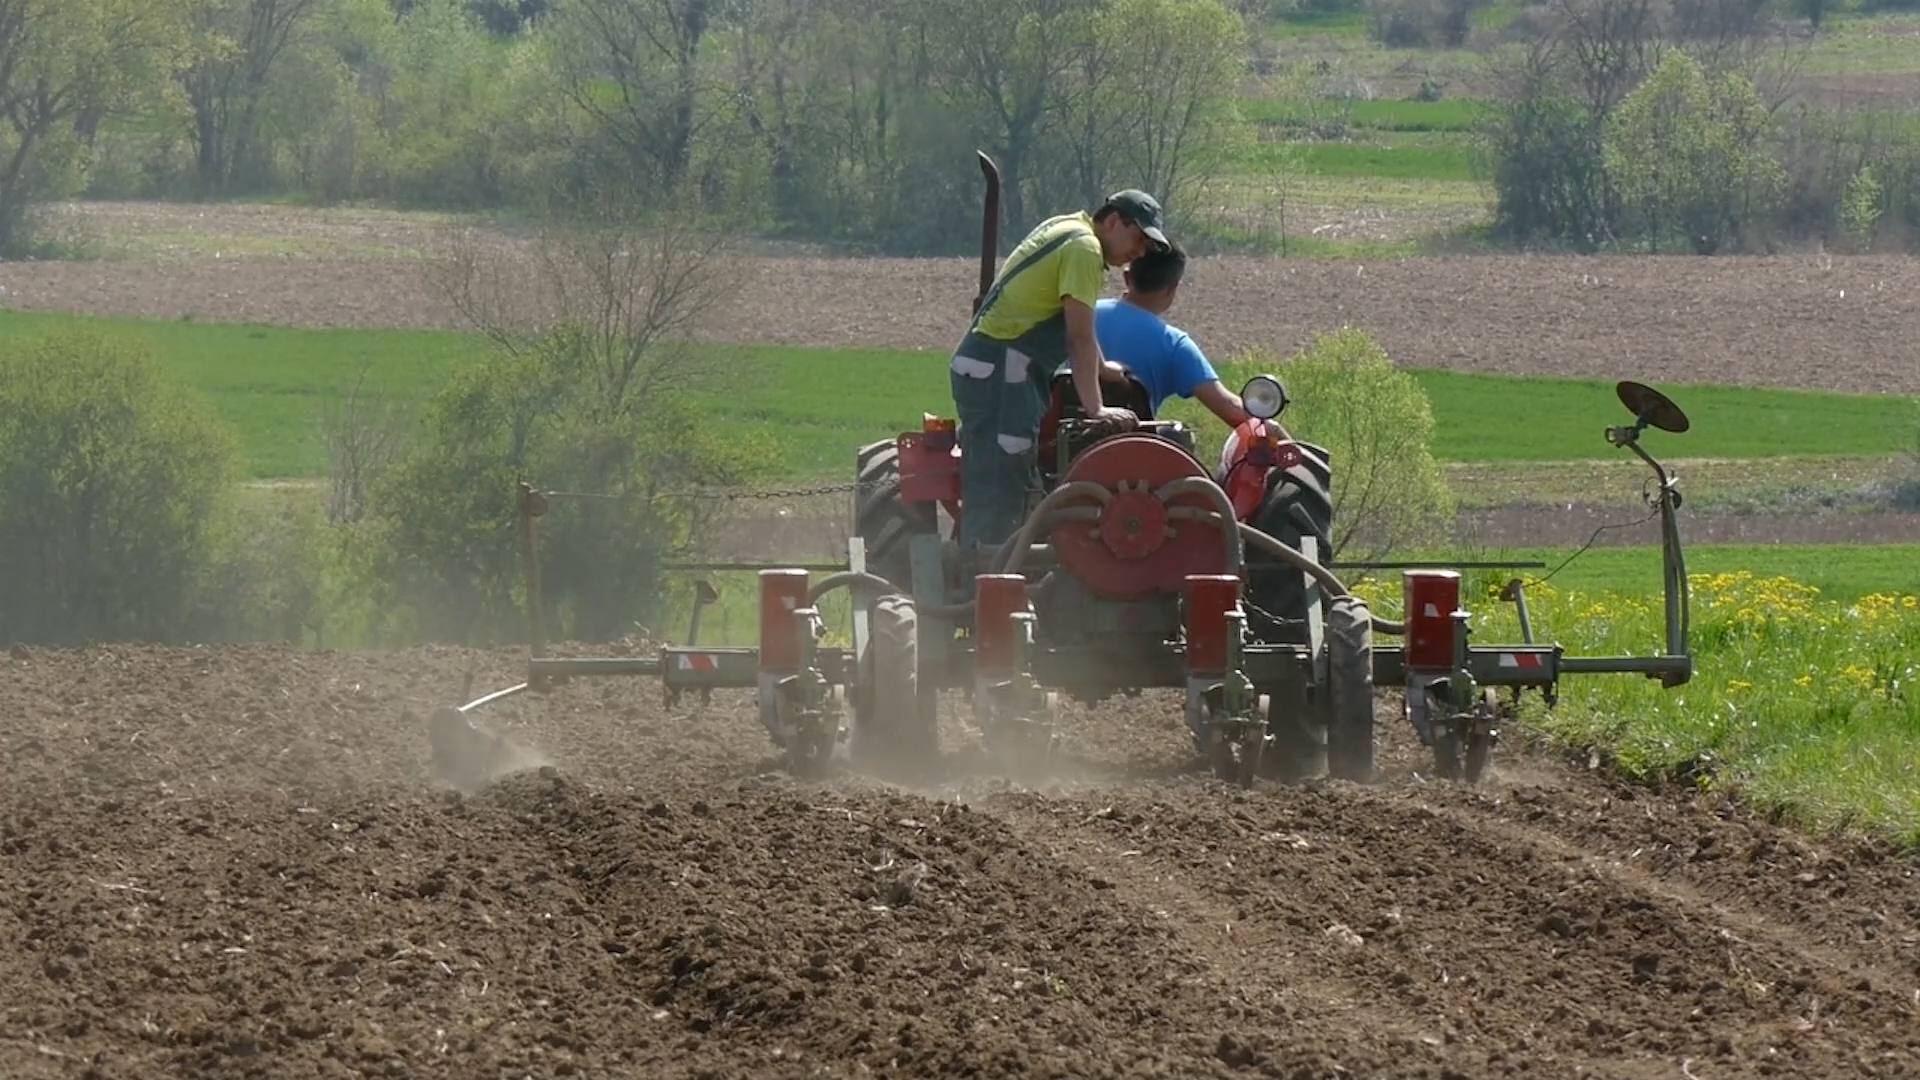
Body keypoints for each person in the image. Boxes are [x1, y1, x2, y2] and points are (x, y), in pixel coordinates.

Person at [949, 189, 1170, 553]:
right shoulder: (1084, 250)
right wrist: (1096, 409)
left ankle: (995, 566)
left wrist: (1101, 368)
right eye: (1139, 238)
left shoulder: (1068, 228)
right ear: (1114, 221)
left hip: (993, 366)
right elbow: (1078, 336)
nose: (1141, 251)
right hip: (1002, 368)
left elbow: (1077, 326)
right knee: (1003, 477)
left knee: (1002, 471)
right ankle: (987, 573)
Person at [1095, 241, 1266, 432]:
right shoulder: (1175, 345)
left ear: (1127, 277)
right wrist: (1276, 432)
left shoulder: (1081, 317)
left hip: (1063, 443)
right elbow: (1232, 411)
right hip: (1132, 451)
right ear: (1172, 289)